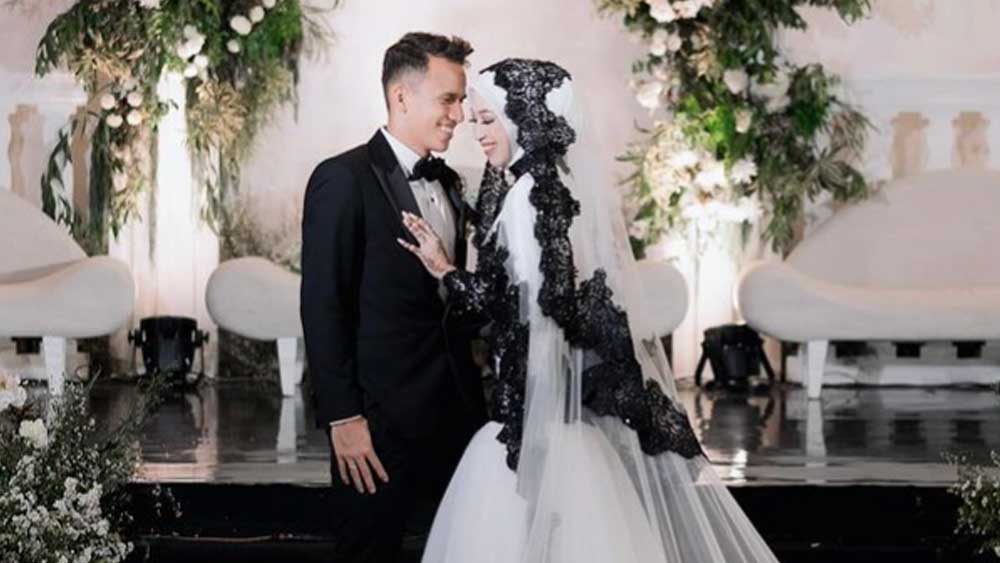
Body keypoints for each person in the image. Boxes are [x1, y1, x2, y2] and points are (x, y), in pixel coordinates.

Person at [399, 58, 782, 563]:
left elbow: (525, 310)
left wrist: (445, 270)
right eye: (476, 121)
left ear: (525, 118)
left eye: (488, 120)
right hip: (559, 417)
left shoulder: (530, 197)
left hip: (532, 417)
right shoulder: (552, 187)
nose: (479, 133)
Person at [299, 32, 487, 563]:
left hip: (456, 416)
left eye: (461, 100)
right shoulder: (342, 178)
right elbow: (323, 305)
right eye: (448, 99)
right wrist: (344, 419)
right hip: (377, 427)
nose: (459, 115)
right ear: (401, 96)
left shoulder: (449, 183)